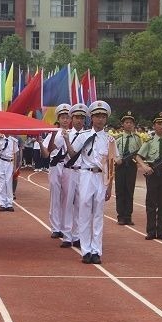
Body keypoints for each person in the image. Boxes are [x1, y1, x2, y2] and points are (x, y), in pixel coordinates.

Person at [65, 100, 119, 264]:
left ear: (106, 119)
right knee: (84, 212)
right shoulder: (84, 136)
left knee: (98, 215)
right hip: (86, 175)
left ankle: (96, 250)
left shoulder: (110, 140)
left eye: (103, 116)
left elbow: (111, 164)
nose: (100, 119)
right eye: (97, 116)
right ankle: (86, 250)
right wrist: (67, 140)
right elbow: (73, 153)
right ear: (92, 118)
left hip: (101, 177)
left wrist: (110, 186)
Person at [136, 112, 162, 241]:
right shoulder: (149, 141)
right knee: (151, 202)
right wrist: (145, 166)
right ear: (154, 125)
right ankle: (151, 230)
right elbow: (138, 156)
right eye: (159, 124)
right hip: (152, 173)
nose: (161, 126)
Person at [60, 102, 88, 249]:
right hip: (69, 170)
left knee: (79, 204)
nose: (79, 120)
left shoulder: (88, 135)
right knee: (67, 203)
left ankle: (77, 235)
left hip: (82, 172)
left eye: (82, 118)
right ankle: (66, 235)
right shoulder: (66, 134)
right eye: (76, 117)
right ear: (72, 118)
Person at [40, 103, 71, 238]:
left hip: (68, 167)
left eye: (67, 117)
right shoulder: (53, 132)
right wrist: (43, 141)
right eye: (62, 117)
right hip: (55, 166)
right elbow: (46, 154)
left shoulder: (74, 133)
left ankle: (66, 226)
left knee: (68, 198)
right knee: (55, 197)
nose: (65, 120)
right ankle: (55, 227)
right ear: (58, 118)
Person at [114, 110, 141, 226]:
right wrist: (117, 159)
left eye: (131, 122)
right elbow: (113, 153)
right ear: (122, 124)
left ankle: (128, 216)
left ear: (133, 125)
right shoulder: (118, 138)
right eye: (126, 122)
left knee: (130, 191)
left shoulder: (137, 139)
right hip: (120, 166)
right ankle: (120, 216)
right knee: (120, 191)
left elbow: (140, 152)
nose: (129, 124)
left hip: (131, 166)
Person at [0, 133, 19, 211]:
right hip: (1, 161)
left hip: (9, 162)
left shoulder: (13, 140)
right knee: (2, 182)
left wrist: (14, 166)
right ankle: (2, 203)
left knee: (8, 182)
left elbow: (15, 154)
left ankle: (9, 203)